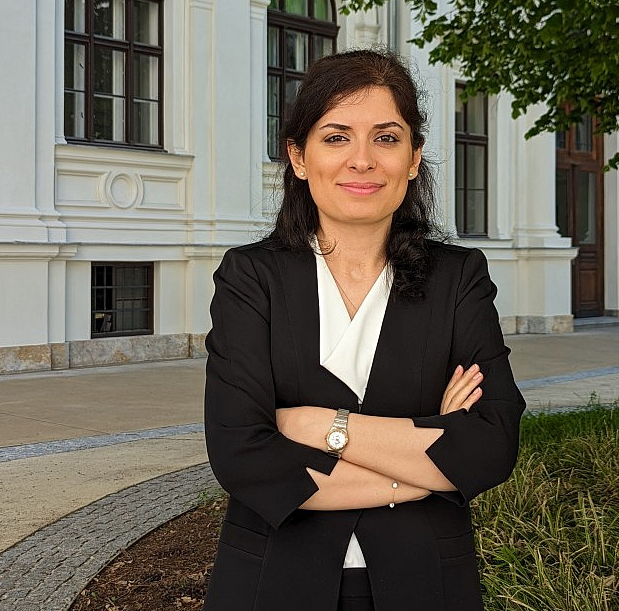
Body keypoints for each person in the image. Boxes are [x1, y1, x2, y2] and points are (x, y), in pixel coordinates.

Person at [203, 49, 526, 611]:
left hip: (426, 584)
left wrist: (322, 426)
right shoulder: (251, 278)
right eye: (335, 137)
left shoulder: (458, 278)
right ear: (299, 158)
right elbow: (243, 456)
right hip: (272, 585)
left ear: (414, 158)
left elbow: (490, 446)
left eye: (385, 137)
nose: (361, 160)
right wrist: (426, 470)